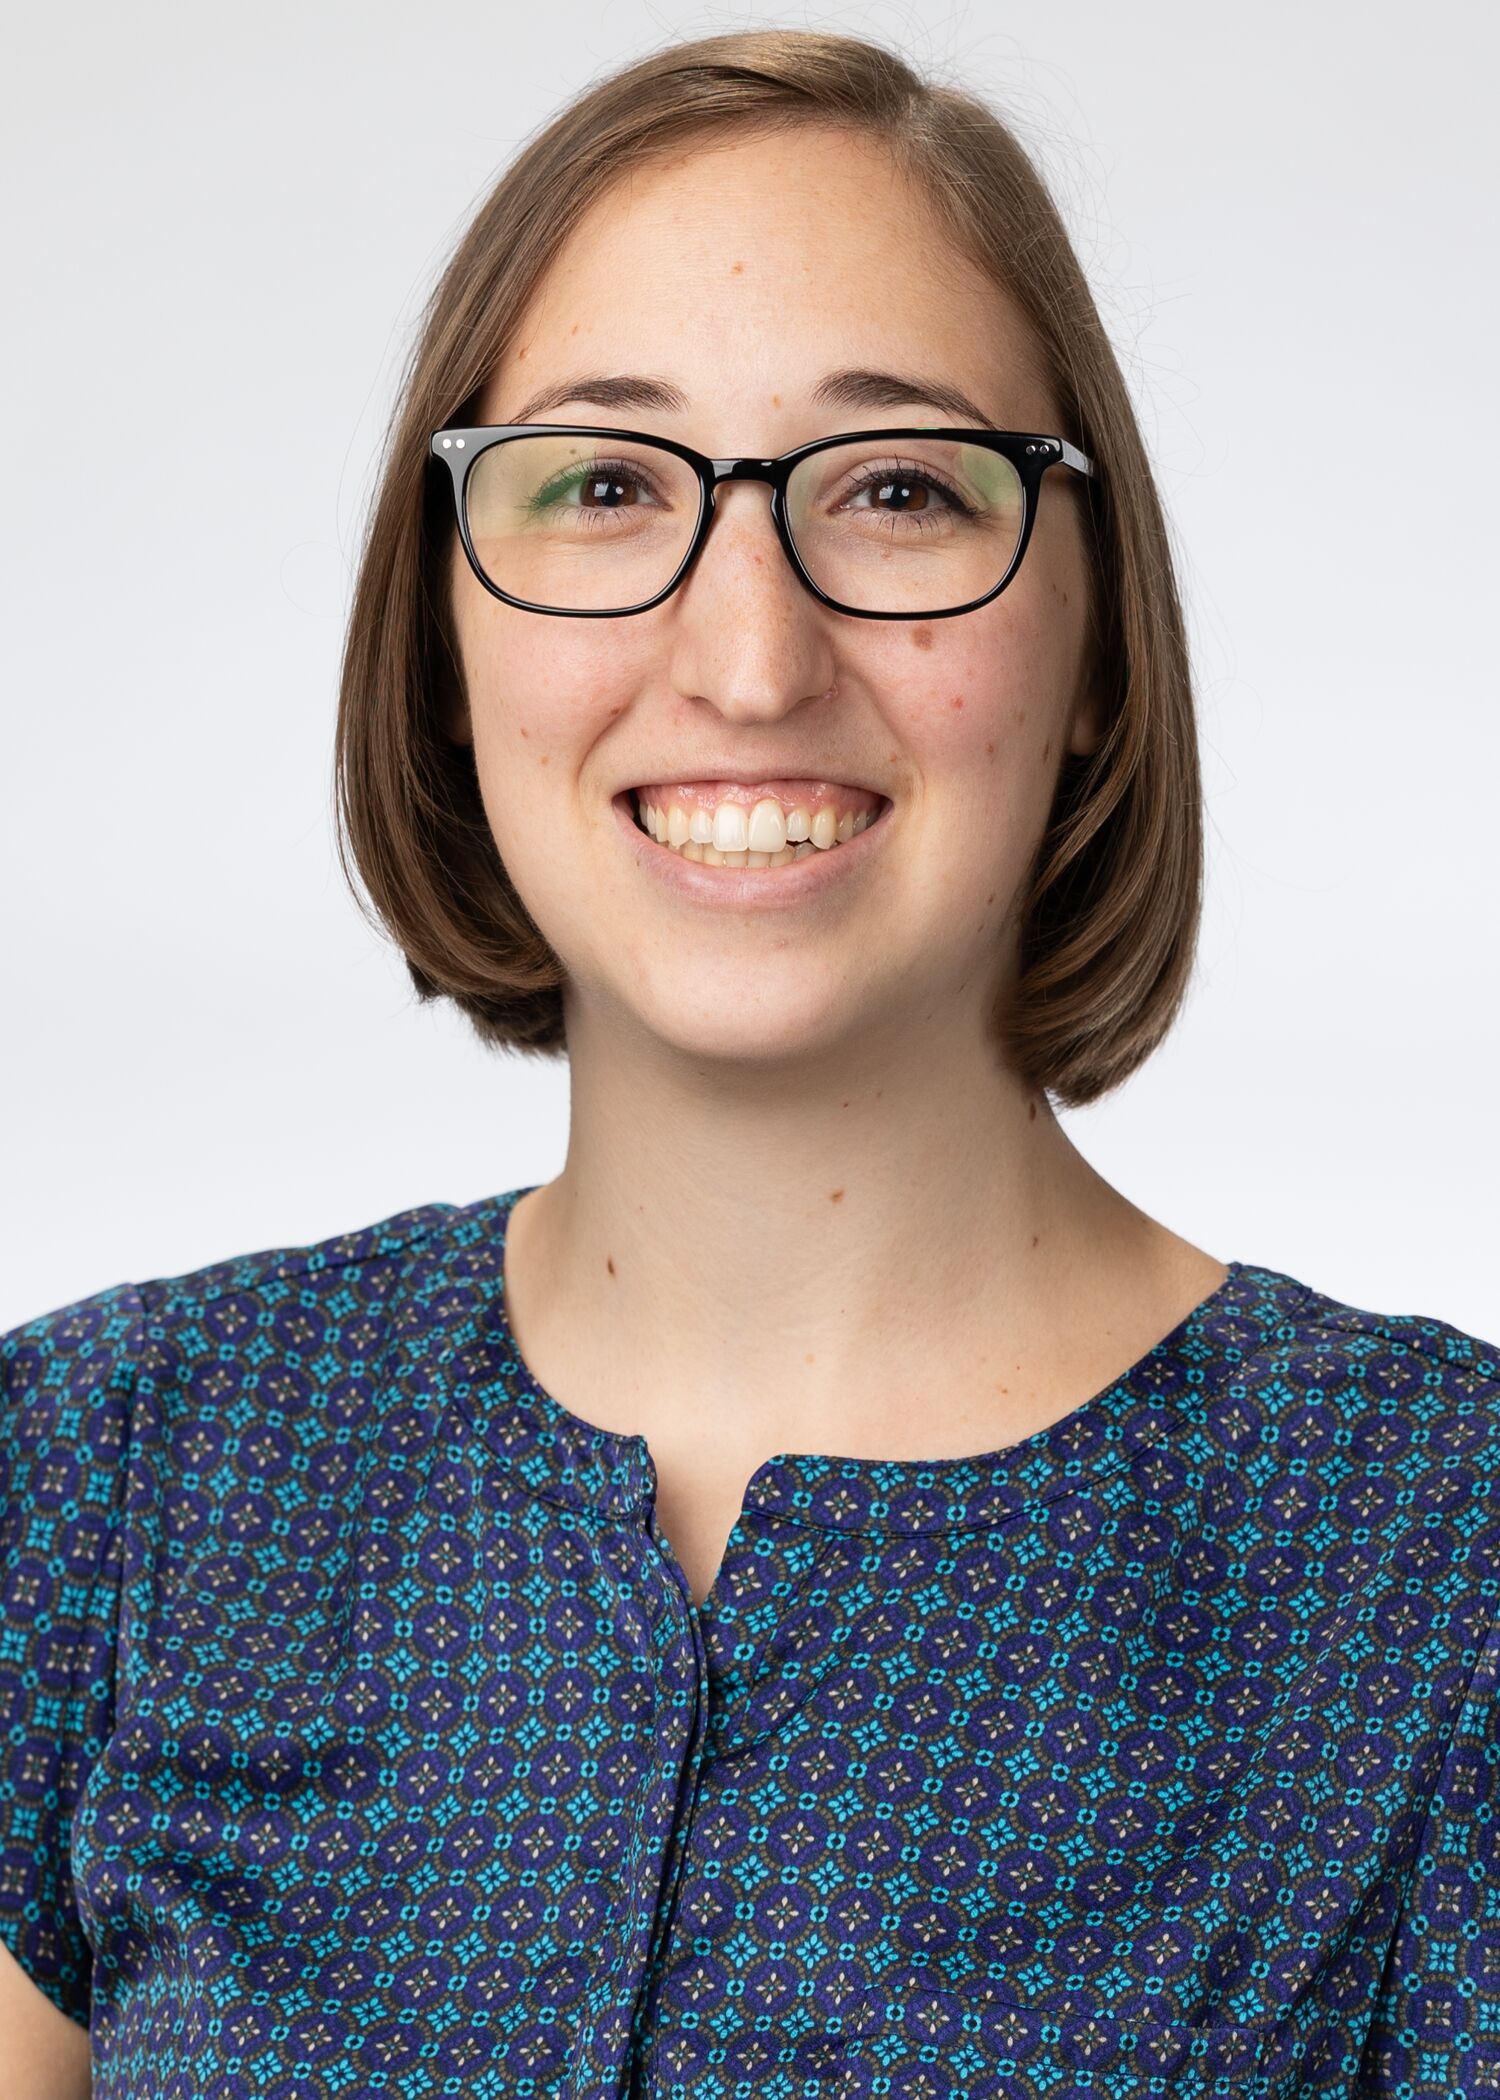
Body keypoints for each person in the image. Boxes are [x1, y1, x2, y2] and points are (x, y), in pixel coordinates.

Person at [2, 25, 1495, 2100]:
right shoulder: (107, 1480)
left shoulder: (1441, 1567)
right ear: (445, 638)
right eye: (605, 487)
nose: (750, 655)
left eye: (894, 491)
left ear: (1095, 649)